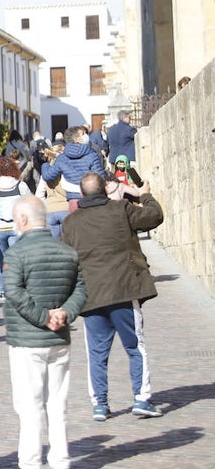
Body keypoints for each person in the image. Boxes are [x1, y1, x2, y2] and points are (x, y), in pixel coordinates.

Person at [60, 172, 165, 421]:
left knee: (96, 353)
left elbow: (65, 259)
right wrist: (145, 193)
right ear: (105, 190)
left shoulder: (71, 223)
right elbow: (154, 216)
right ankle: (141, 398)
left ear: (82, 194)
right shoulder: (120, 209)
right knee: (135, 347)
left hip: (92, 296)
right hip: (124, 290)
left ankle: (100, 404)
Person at [2, 196, 87, 469]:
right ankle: (61, 462)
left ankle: (30, 463)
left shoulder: (17, 253)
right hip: (59, 338)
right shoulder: (67, 251)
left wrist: (43, 316)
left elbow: (14, 292)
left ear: (23, 219)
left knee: (29, 403)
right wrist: (64, 313)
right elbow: (81, 289)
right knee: (57, 402)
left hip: (28, 339)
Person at [0, 156, 32, 300]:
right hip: (17, 226)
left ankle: (2, 290)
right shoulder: (20, 185)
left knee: (2, 259)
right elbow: (29, 202)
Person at [40, 126, 106, 210]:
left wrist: (45, 165)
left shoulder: (62, 158)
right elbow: (101, 177)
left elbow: (48, 176)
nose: (86, 135)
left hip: (72, 200)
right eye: (83, 134)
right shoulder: (92, 155)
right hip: (91, 199)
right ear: (77, 140)